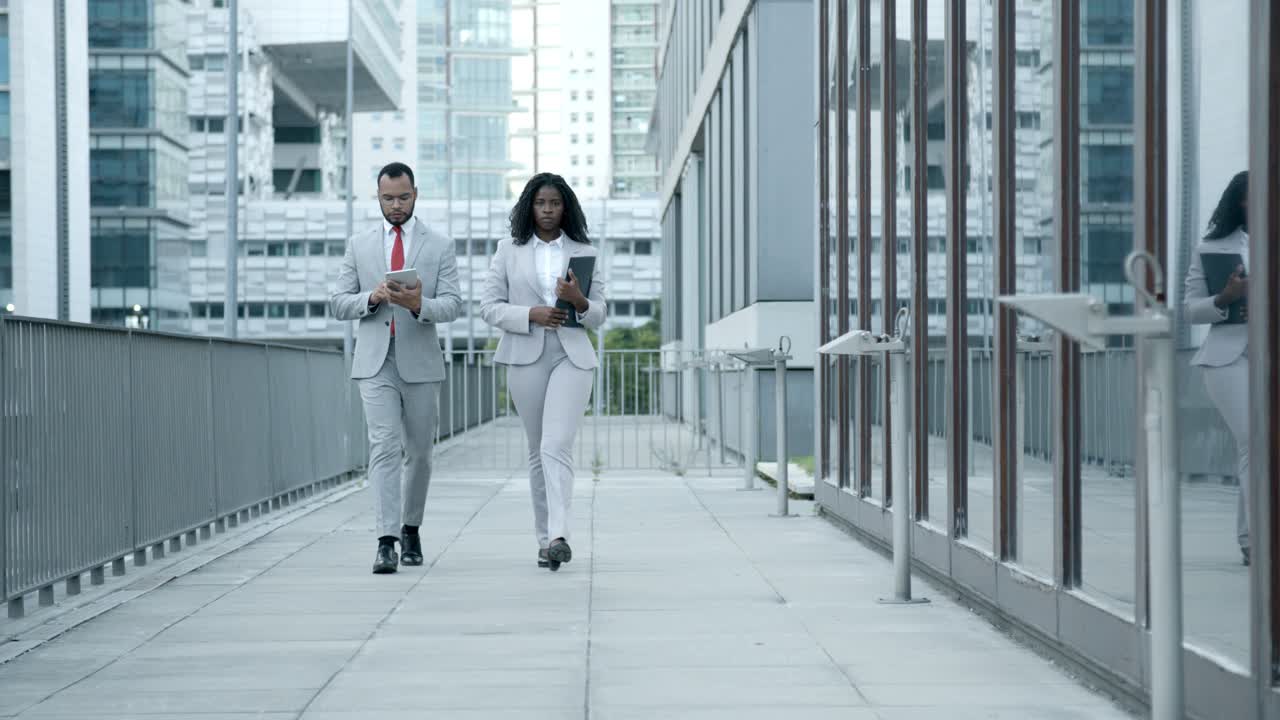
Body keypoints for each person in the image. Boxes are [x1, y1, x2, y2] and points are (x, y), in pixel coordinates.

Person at [330, 162, 462, 574]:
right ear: (378, 197)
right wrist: (371, 298)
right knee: (384, 446)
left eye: (403, 197)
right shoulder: (359, 245)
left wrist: (419, 305)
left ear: (415, 194)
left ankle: (411, 529)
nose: (396, 205)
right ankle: (386, 541)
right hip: (375, 362)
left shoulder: (440, 245)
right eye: (388, 198)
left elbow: (453, 305)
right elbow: (338, 302)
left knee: (419, 453)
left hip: (420, 362)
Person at [480, 173, 606, 571]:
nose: (548, 210)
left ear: (565, 207)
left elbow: (599, 314)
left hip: (572, 355)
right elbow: (489, 307)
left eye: (554, 203)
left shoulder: (584, 251)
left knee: (556, 444)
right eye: (540, 203)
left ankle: (559, 535)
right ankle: (544, 540)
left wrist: (579, 300)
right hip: (526, 354)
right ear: (529, 207)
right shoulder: (508, 250)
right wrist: (530, 314)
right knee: (538, 451)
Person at [1183, 170, 1251, 567]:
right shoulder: (1212, 248)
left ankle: (1250, 538)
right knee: (1254, 441)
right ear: (1237, 202)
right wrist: (1225, 297)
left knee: (1257, 448)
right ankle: (1259, 537)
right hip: (1229, 358)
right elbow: (1191, 310)